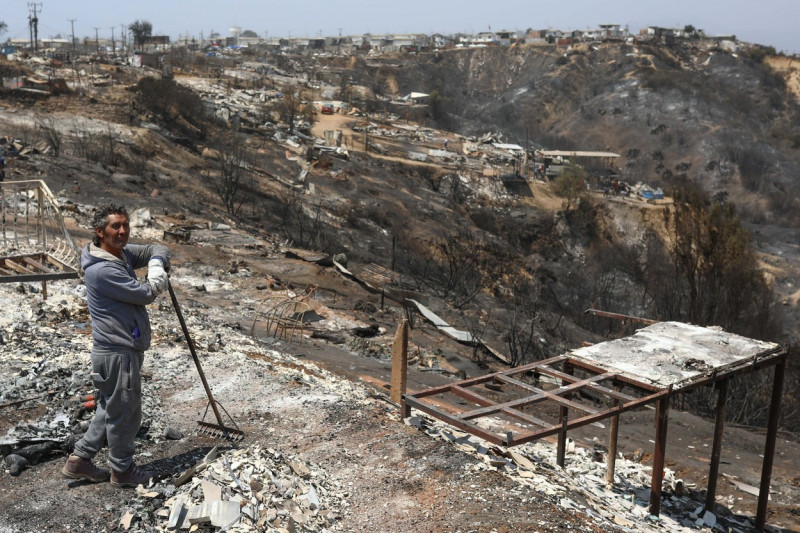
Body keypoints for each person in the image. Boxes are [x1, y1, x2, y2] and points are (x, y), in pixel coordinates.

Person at [62, 204, 170, 487]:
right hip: (117, 352)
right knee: (126, 413)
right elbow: (146, 293)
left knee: (110, 407)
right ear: (100, 232)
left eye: (125, 225)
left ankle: (80, 460)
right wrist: (157, 277)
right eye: (115, 227)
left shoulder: (117, 253)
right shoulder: (102, 270)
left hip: (116, 350)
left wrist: (157, 260)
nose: (122, 231)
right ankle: (122, 470)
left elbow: (154, 249)